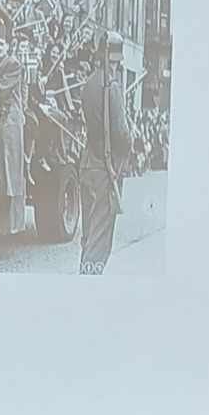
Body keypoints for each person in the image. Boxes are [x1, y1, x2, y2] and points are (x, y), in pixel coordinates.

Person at [78, 33, 132, 275]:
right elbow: (121, 133)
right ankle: (89, 281)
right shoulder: (112, 87)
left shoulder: (89, 83)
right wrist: (129, 145)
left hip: (88, 163)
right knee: (100, 238)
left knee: (89, 233)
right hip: (106, 168)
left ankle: (84, 275)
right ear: (116, 59)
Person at [0, 17, 28, 246]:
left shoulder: (13, 64)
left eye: (0, 45)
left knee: (7, 176)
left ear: (7, 46)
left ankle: (5, 227)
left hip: (9, 124)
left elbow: (0, 90)